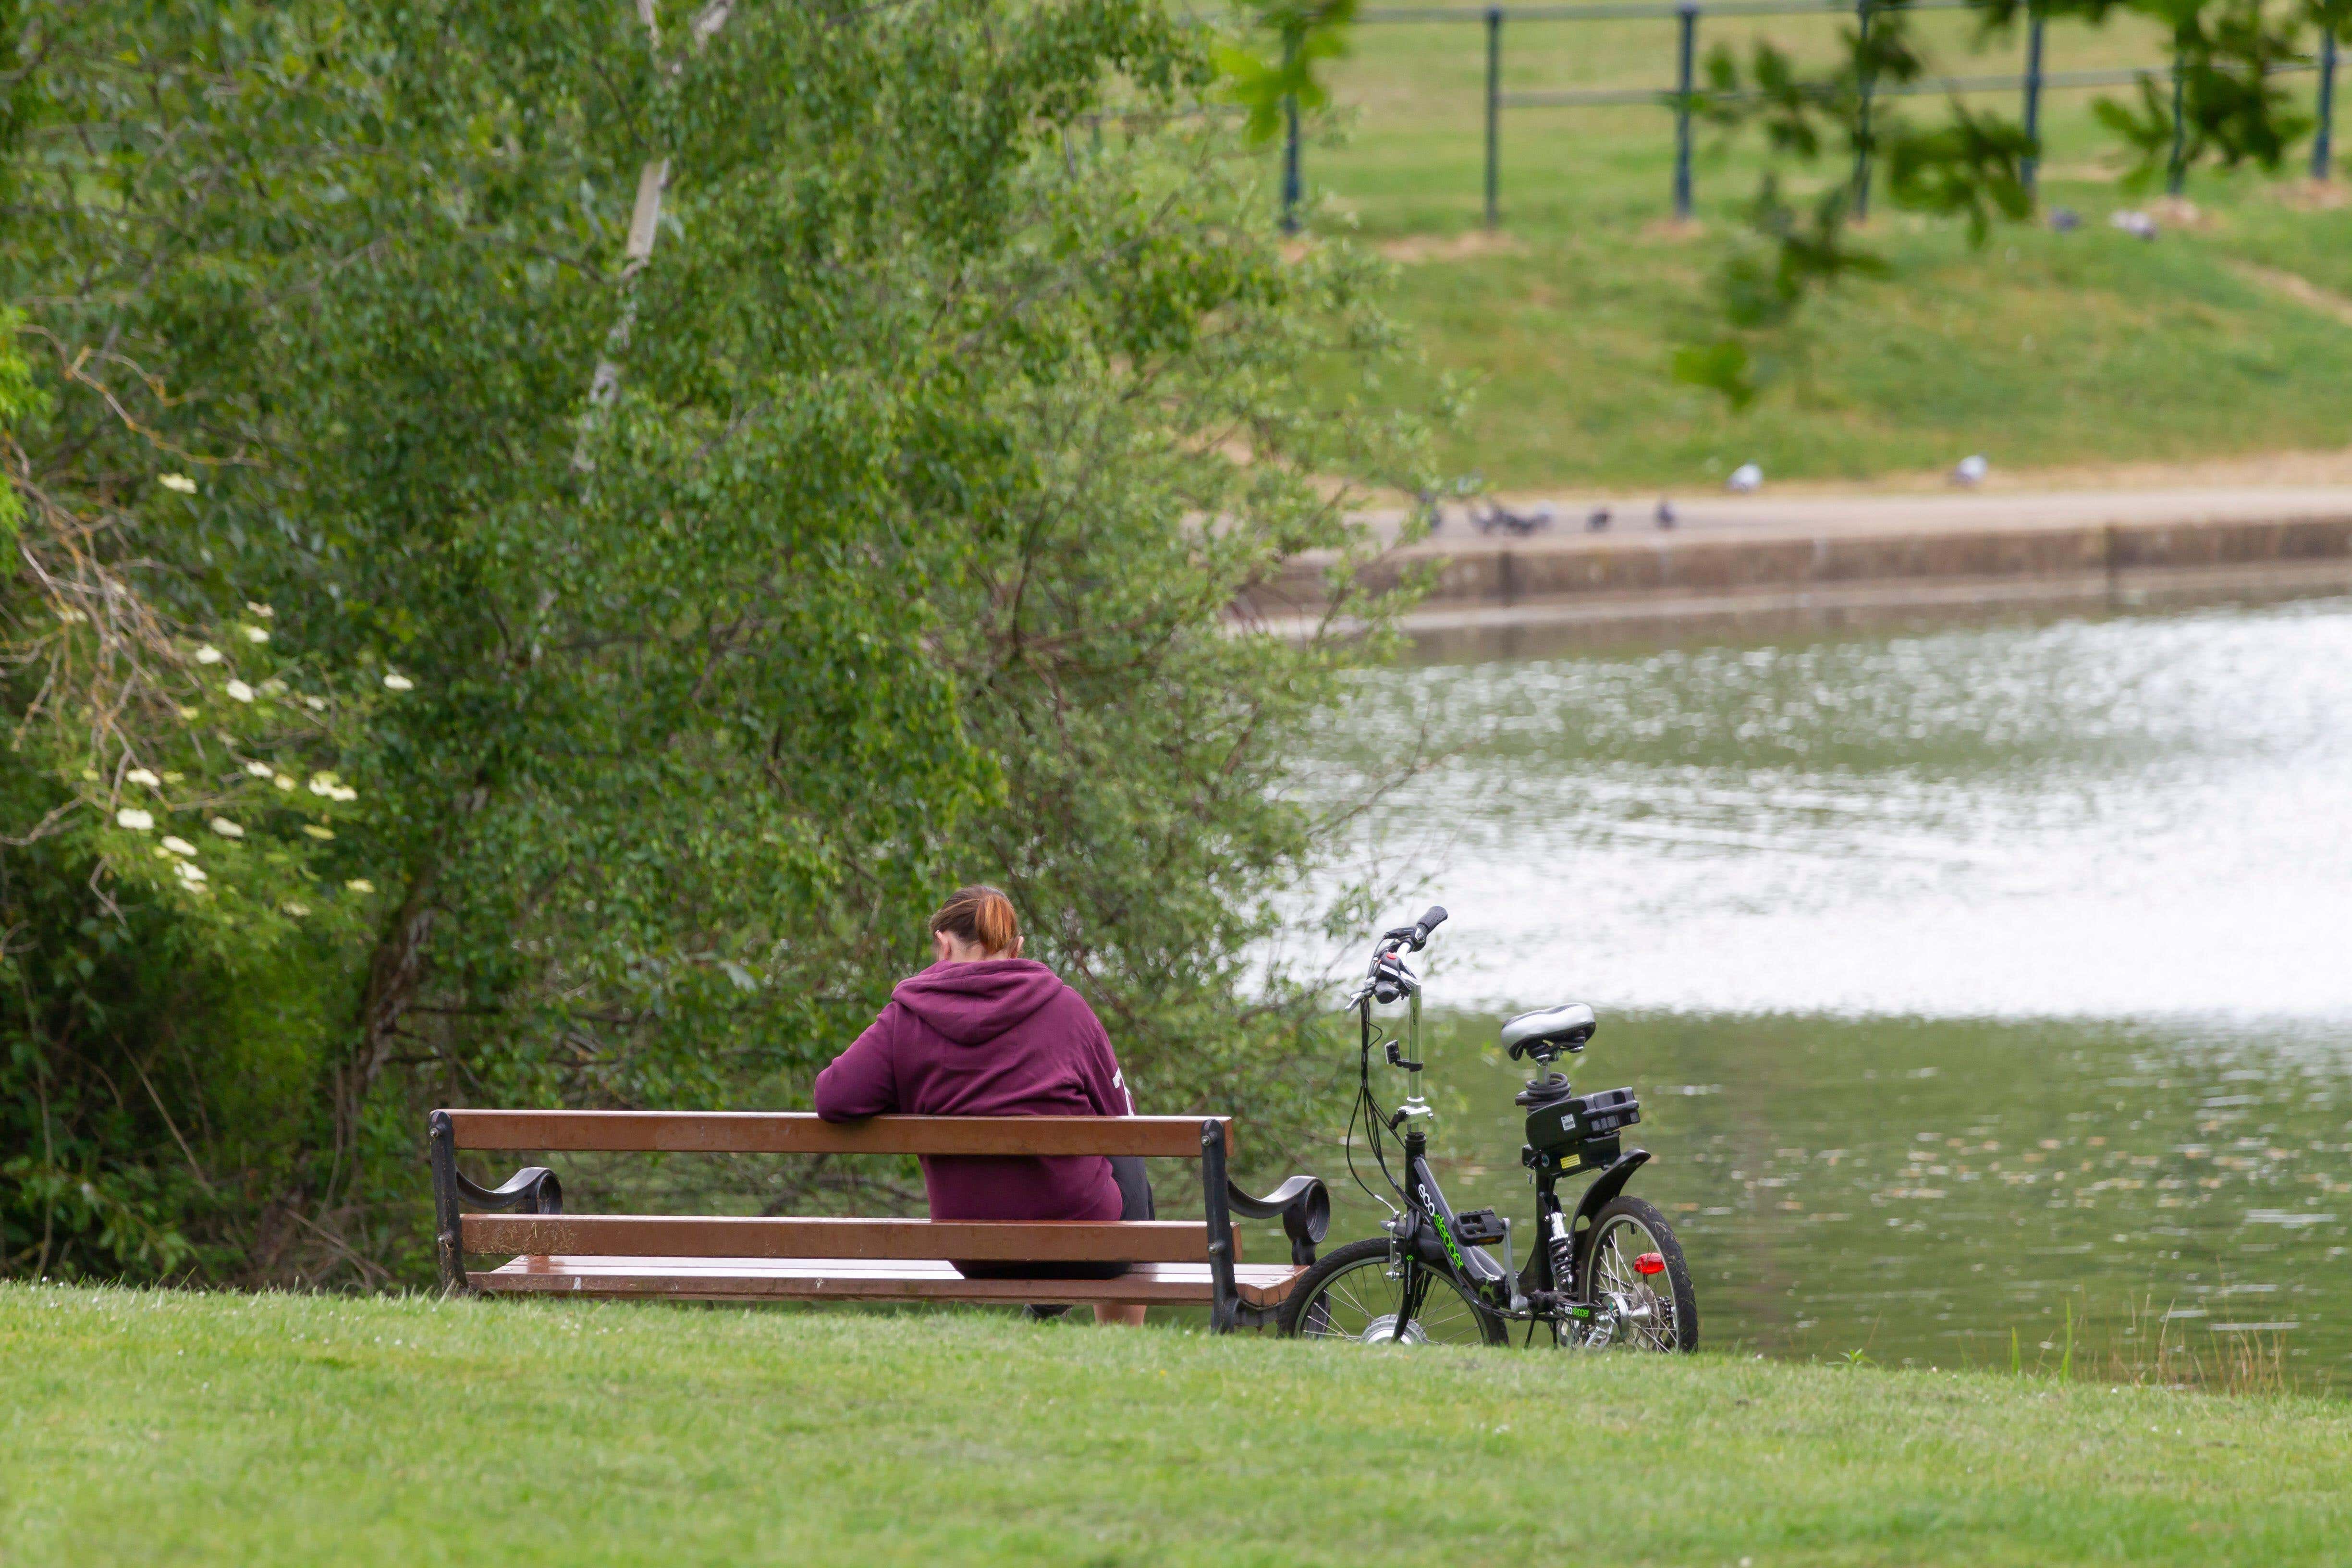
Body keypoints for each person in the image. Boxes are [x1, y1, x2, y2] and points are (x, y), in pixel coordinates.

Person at [813, 885, 1151, 1326]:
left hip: (974, 1251)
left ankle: (1052, 1303)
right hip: (1087, 1250)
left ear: (943, 943)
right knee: (1130, 1153)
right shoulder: (1065, 1007)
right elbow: (1120, 1118)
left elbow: (834, 1097)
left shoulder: (907, 1018)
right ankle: (1120, 1346)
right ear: (1018, 948)